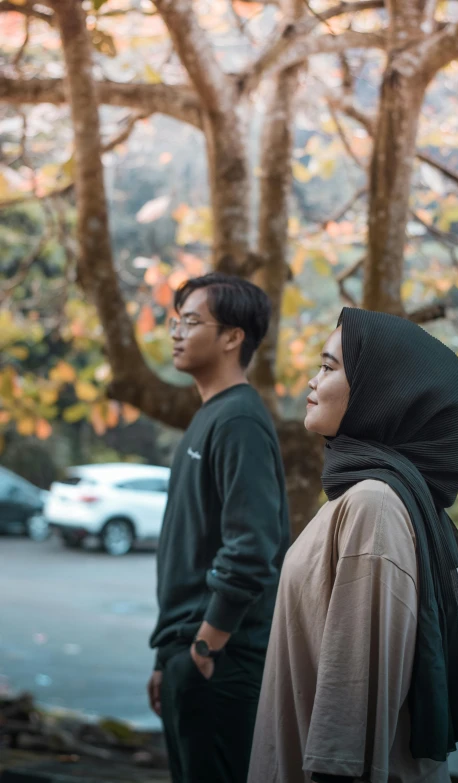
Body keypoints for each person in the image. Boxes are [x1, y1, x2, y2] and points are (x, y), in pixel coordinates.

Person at [248, 308, 458, 783]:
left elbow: (351, 729)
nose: (312, 383)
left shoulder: (374, 506)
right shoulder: (366, 498)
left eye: (329, 367)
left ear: (383, 393)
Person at [148, 273, 290, 783]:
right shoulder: (212, 414)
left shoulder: (239, 422)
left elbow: (252, 547)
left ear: (233, 336)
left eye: (191, 321)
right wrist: (171, 654)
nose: (176, 333)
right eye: (175, 321)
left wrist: (206, 645)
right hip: (191, 649)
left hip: (221, 658)